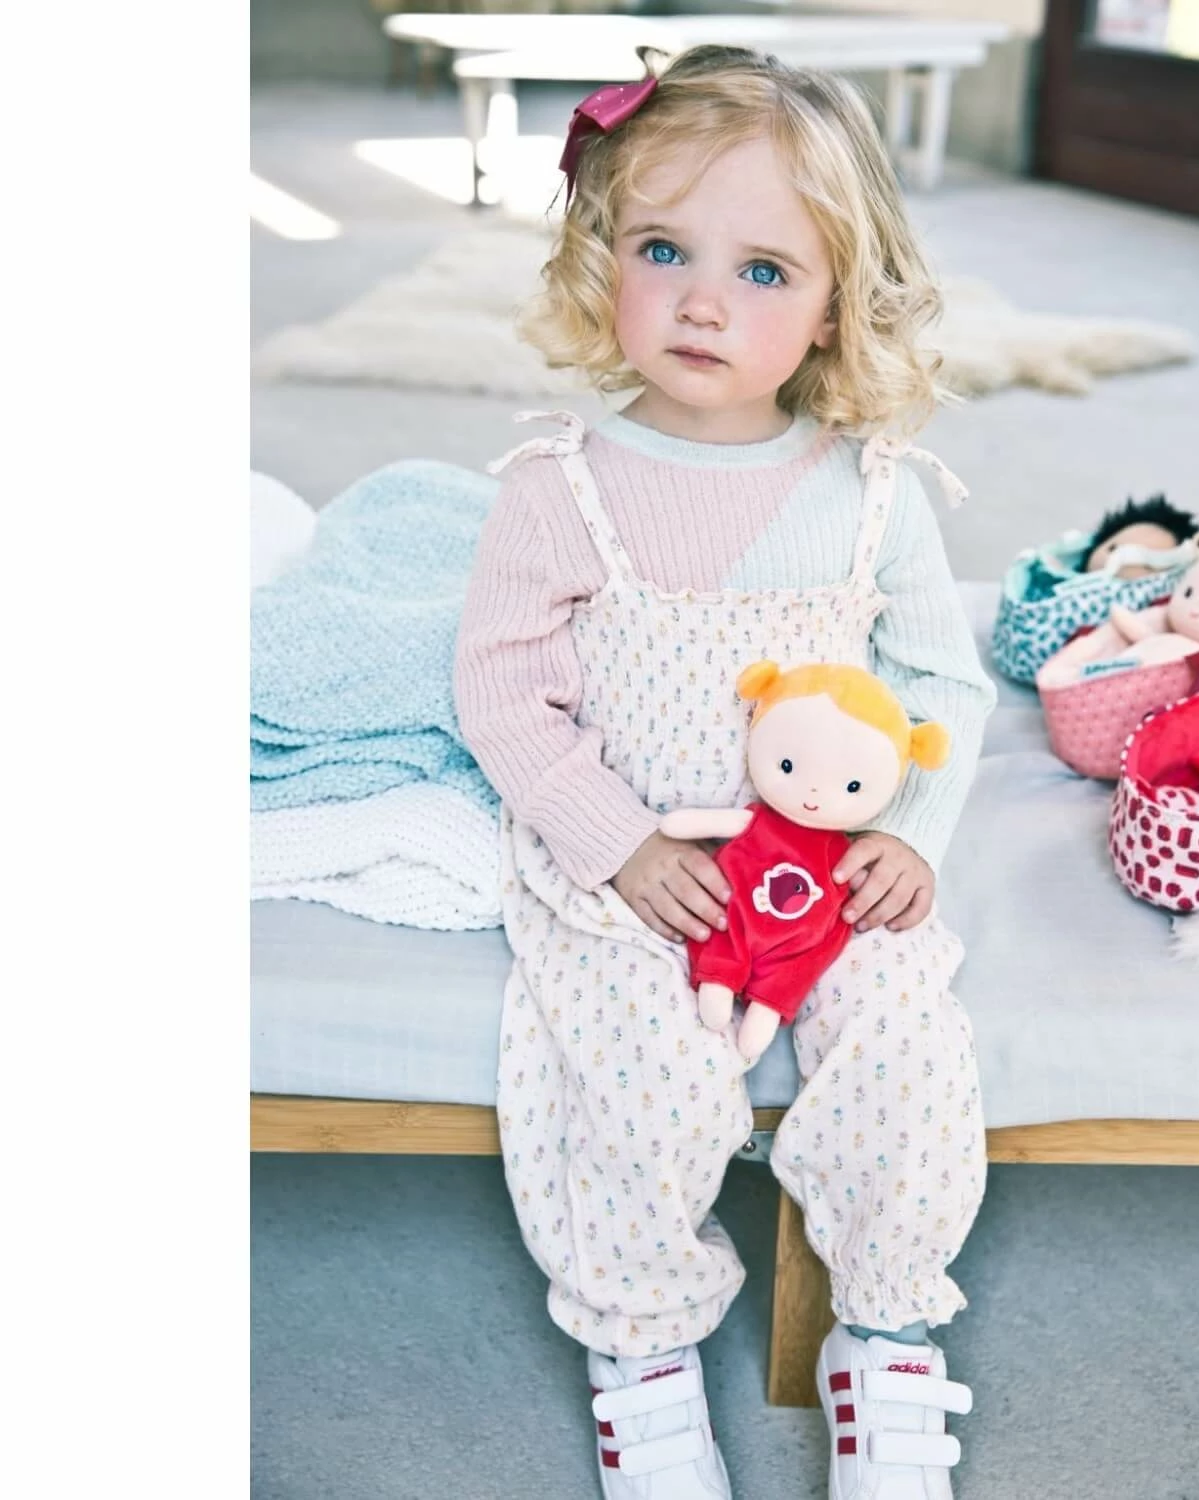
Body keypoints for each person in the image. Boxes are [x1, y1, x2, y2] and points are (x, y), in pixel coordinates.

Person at [454, 43, 997, 1500]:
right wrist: (615, 844)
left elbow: (944, 682)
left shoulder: (870, 491)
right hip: (650, 872)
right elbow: (502, 690)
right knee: (634, 1087)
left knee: (907, 1046)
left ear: (836, 307)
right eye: (663, 250)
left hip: (827, 864)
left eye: (764, 271)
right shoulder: (558, 487)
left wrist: (913, 837)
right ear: (602, 261)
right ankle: (640, 1354)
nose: (704, 299)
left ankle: (884, 1333)